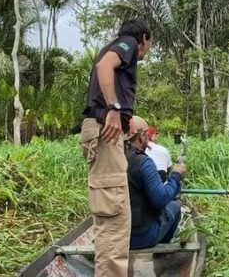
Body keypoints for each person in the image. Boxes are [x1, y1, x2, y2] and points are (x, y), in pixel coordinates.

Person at [79, 19, 152, 276]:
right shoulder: (128, 44)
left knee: (114, 216)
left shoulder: (120, 47)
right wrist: (113, 108)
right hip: (104, 130)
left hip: (105, 133)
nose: (146, 51)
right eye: (149, 45)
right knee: (114, 221)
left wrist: (125, 119)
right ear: (143, 38)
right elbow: (105, 66)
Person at [126, 116, 187, 250]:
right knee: (174, 206)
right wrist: (176, 176)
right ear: (142, 136)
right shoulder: (143, 162)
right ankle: (161, 248)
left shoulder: (113, 158)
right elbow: (161, 199)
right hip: (141, 237)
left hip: (114, 236)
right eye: (147, 135)